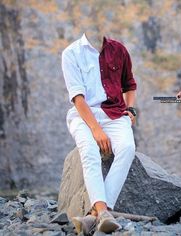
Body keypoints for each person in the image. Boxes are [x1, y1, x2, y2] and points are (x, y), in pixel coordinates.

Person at [61, 31, 137, 235]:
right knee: (90, 151)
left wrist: (130, 109)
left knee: (128, 148)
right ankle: (104, 212)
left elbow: (129, 85)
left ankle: (94, 216)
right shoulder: (71, 53)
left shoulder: (119, 49)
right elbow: (77, 98)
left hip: (115, 114)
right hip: (82, 116)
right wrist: (96, 129)